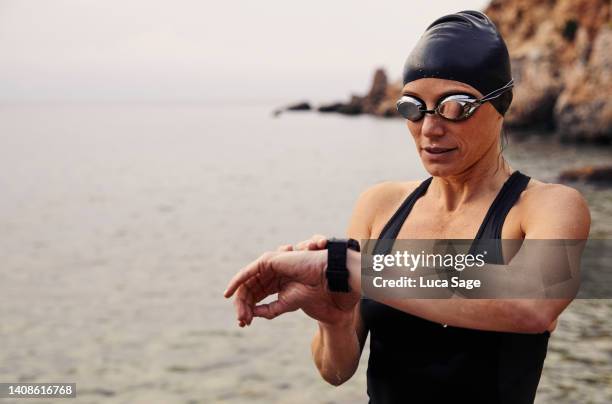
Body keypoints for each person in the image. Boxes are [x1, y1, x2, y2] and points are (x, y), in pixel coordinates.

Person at [224, 10, 591, 404]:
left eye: (455, 106)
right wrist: (334, 317)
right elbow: (336, 371)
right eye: (413, 108)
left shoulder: (547, 206)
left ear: (500, 103)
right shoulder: (380, 205)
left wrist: (346, 267)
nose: (430, 129)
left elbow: (533, 304)